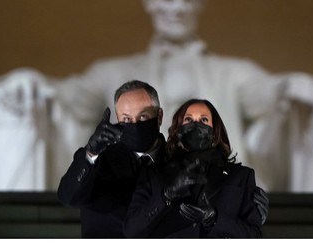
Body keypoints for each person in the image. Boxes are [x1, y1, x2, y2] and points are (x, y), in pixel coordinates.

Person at [0, 0, 313, 192]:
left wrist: (290, 84)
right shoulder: (114, 71)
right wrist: (32, 80)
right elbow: (67, 96)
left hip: (214, 186)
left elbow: (268, 93)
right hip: (138, 189)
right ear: (150, 2)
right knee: (17, 95)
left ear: (199, 3)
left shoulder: (231, 72)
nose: (177, 7)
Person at [57, 80, 269, 238]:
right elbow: (69, 197)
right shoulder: (100, 158)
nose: (135, 124)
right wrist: (91, 153)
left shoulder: (180, 162)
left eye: (143, 117)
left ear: (159, 117)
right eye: (126, 119)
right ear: (117, 119)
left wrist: (246, 213)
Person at [124, 99, 262, 238]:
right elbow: (131, 229)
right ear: (178, 132)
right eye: (188, 120)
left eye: (203, 120)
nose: (196, 125)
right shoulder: (153, 173)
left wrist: (215, 219)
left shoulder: (241, 176)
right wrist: (167, 194)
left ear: (215, 132)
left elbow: (254, 236)